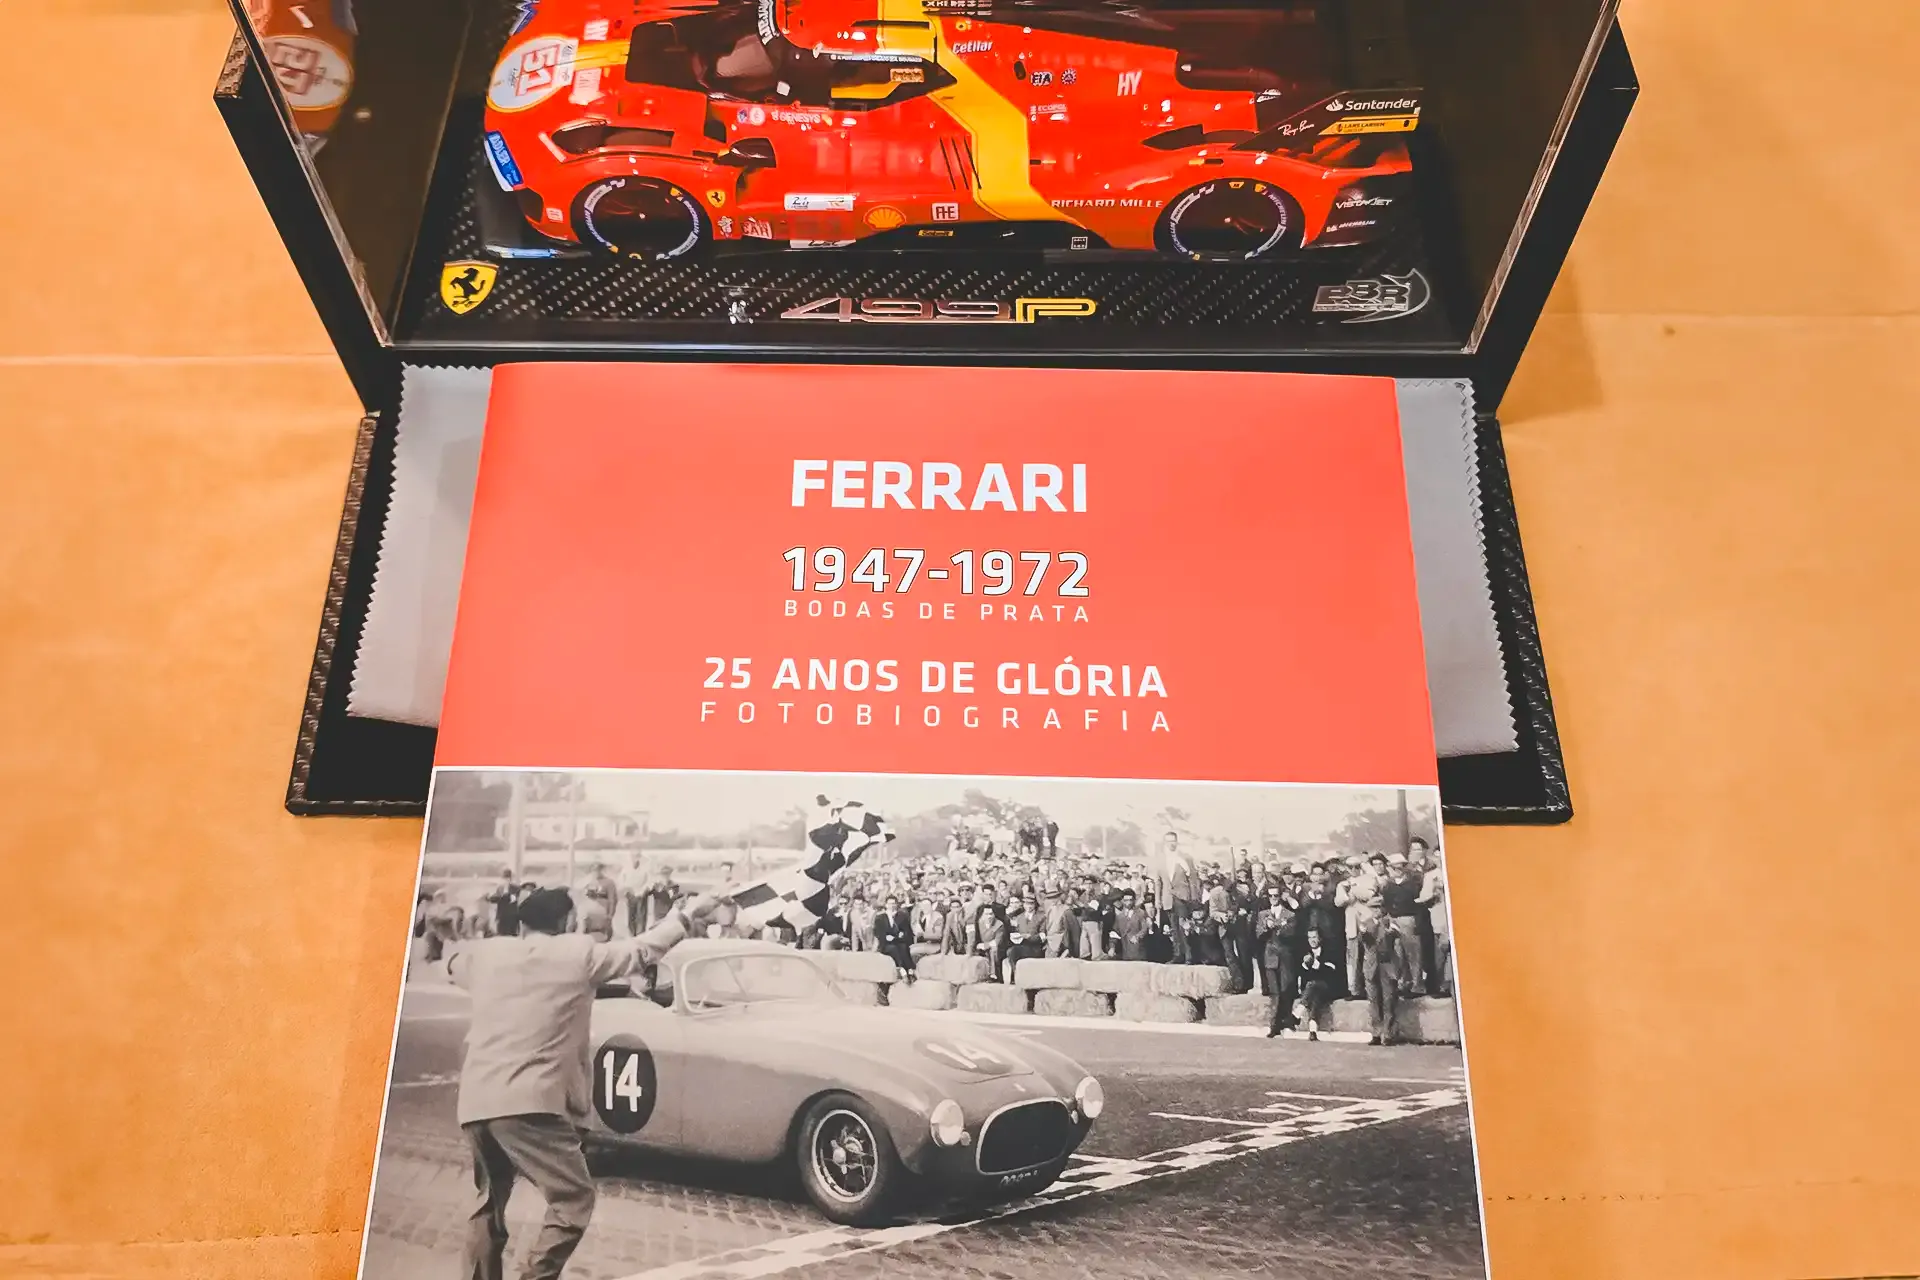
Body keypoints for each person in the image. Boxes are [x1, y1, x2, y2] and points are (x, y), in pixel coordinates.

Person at [449, 886, 721, 1280]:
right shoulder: (577, 955)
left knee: (487, 1203)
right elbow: (643, 950)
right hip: (531, 1101)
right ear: (566, 922)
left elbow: (452, 962)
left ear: (522, 924)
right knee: (573, 1199)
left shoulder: (487, 955)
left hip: (476, 1100)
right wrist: (687, 913)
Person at [1336, 853, 1385, 999]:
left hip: (1367, 922)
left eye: (1356, 867)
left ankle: (1372, 989)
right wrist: (1347, 893)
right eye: (1350, 867)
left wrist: (1352, 891)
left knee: (1370, 956)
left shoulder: (1369, 878)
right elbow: (1338, 902)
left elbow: (1368, 895)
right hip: (1352, 925)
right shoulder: (1342, 884)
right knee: (1353, 958)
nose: (1353, 870)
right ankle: (1355, 990)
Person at [1256, 883, 1300, 1034]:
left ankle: (1285, 1020)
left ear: (1280, 896)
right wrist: (1268, 926)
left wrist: (1274, 924)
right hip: (1270, 956)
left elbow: (1290, 934)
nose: (1273, 898)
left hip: (1285, 956)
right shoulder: (1263, 915)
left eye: (1276, 895)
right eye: (1270, 896)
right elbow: (1258, 934)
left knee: (1286, 990)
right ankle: (1274, 1024)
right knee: (1274, 992)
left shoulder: (1290, 915)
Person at [1378, 851, 1424, 997]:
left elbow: (1418, 904)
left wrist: (1417, 922)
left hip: (1408, 919)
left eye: (1399, 867)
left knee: (1413, 953)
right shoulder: (1388, 886)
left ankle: (1417, 985)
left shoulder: (1412, 884)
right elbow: (1385, 904)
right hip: (1393, 919)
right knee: (1398, 953)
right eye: (1394, 867)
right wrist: (1387, 919)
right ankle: (1403, 983)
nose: (1396, 870)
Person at [1361, 912, 1405, 1045]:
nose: (1377, 910)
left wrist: (1387, 929)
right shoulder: (1367, 923)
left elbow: (1395, 938)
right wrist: (1372, 927)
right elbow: (1365, 940)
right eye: (1373, 908)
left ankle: (1387, 1034)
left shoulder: (1391, 922)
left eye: (1379, 907)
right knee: (1373, 1000)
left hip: (1387, 965)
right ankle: (1376, 1033)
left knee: (1388, 1000)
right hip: (1371, 965)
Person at [1295, 927, 1343, 1042]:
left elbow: (1331, 971)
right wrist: (1306, 965)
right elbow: (1301, 975)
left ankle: (1298, 1012)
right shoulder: (1305, 954)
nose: (1312, 940)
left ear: (1320, 938)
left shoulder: (1329, 952)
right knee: (1315, 996)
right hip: (1312, 992)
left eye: (1314, 937)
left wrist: (1316, 964)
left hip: (1327, 988)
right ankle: (1313, 1032)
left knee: (1313, 985)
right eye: (1309, 937)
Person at [1416, 844, 1452, 996]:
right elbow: (1423, 896)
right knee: (1441, 951)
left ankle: (1452, 985)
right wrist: (1433, 894)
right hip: (1439, 916)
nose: (1440, 859)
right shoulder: (1431, 875)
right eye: (1437, 856)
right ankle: (1441, 985)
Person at [1164, 833, 1198, 963]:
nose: (1171, 843)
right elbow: (1158, 882)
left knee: (1184, 926)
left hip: (1182, 897)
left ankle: (1189, 956)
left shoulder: (1185, 858)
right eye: (1168, 841)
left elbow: (1193, 879)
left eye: (1173, 841)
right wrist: (1158, 901)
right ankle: (1177, 955)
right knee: (1174, 928)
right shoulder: (1162, 859)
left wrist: (1193, 898)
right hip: (1168, 897)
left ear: (1177, 842)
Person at [874, 894, 915, 979]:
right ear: (886, 905)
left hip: (899, 941)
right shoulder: (880, 918)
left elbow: (907, 931)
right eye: (889, 904)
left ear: (896, 904)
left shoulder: (902, 916)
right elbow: (879, 933)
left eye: (893, 903)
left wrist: (902, 934)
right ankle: (903, 969)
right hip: (886, 943)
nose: (891, 906)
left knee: (903, 947)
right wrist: (886, 937)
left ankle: (909, 969)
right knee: (893, 948)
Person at [575, 864, 617, 942]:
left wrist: (610, 914)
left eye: (598, 870)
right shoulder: (589, 882)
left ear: (602, 870)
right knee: (582, 914)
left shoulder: (609, 882)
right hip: (591, 907)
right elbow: (579, 891)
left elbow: (612, 900)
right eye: (594, 870)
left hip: (603, 908)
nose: (596, 872)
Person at [974, 897, 1008, 981]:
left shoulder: (999, 924)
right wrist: (977, 945)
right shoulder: (978, 923)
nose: (989, 917)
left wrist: (984, 945)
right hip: (980, 947)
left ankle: (993, 974)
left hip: (997, 948)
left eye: (991, 914)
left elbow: (997, 942)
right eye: (986, 914)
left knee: (993, 949)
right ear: (982, 915)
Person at [1110, 890, 1150, 961]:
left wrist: (1137, 937)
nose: (1128, 903)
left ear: (1134, 900)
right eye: (1126, 900)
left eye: (1130, 900)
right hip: (1125, 955)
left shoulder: (1141, 913)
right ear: (1122, 901)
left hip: (1139, 955)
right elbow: (1115, 933)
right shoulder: (1119, 916)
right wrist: (1112, 947)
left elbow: (1144, 928)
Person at [485, 873, 522, 938]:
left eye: (508, 879)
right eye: (505, 879)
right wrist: (489, 898)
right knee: (501, 933)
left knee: (512, 933)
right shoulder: (500, 888)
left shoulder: (516, 888)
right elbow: (496, 898)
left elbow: (514, 898)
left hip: (511, 914)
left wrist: (504, 896)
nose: (506, 880)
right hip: (502, 914)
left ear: (510, 879)